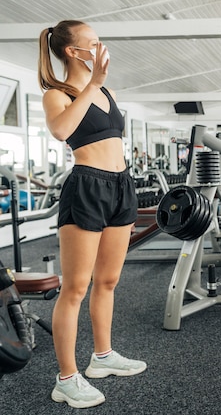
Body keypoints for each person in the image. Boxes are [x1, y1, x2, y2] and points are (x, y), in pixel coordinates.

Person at [38, 20, 146, 408]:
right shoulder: (57, 93)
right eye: (93, 42)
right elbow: (62, 130)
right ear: (72, 51)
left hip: (121, 185)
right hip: (86, 186)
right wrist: (93, 84)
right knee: (75, 288)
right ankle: (66, 378)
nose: (100, 48)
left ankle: (103, 357)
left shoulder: (110, 93)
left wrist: (100, 85)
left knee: (109, 280)